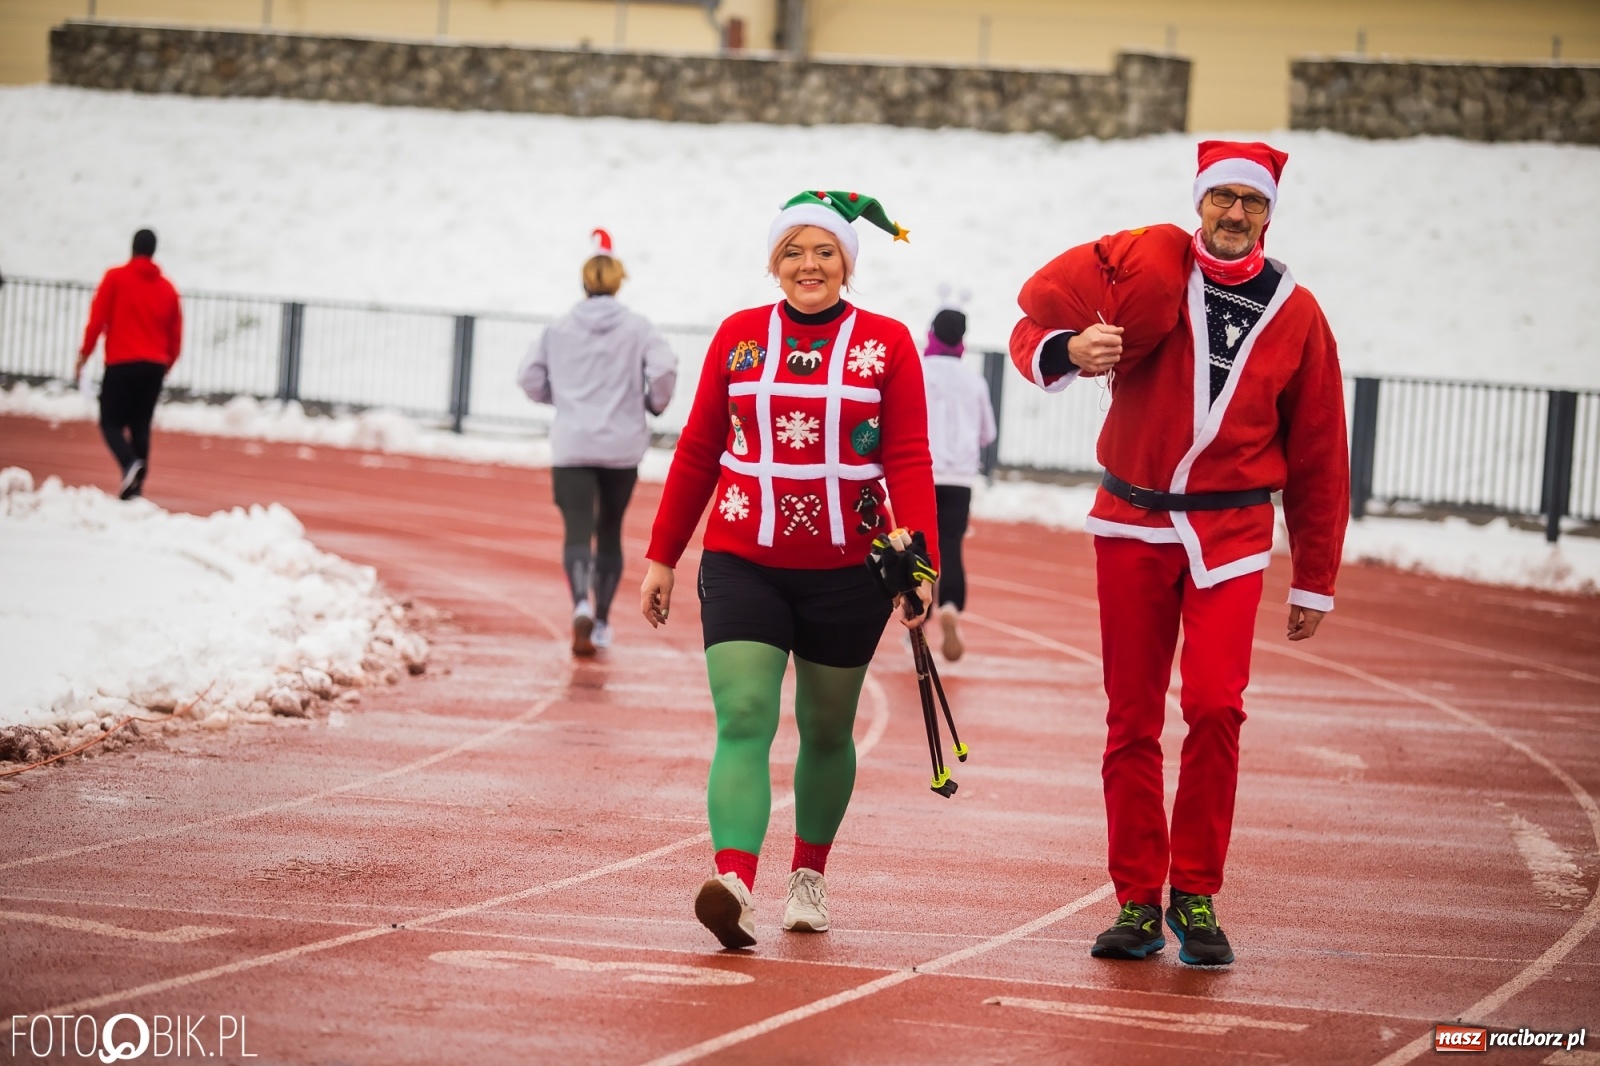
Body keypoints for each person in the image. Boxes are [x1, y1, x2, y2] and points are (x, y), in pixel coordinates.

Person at [1010, 142, 1348, 967]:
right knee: (1130, 718)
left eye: (1253, 203)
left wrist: (1315, 576)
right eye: (1223, 198)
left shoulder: (1298, 312)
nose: (1236, 215)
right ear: (1199, 202)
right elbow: (1030, 326)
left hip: (1231, 536)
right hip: (1131, 523)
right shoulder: (1149, 272)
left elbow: (1320, 451)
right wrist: (1067, 351)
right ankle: (1135, 897)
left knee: (1215, 707)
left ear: (1271, 213)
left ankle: (1195, 895)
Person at [640, 190, 939, 950]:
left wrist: (921, 561)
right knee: (744, 716)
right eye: (794, 251)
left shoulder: (888, 343)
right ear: (775, 263)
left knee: (827, 728)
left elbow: (906, 457)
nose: (810, 264)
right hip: (743, 559)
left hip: (848, 572)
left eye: (825, 251)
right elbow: (700, 450)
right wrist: (663, 555)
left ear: (846, 262)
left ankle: (808, 875)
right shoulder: (740, 338)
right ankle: (733, 881)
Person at [518, 229, 677, 656]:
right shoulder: (639, 327)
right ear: (618, 280)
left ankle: (579, 606)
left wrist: (560, 398)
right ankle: (603, 621)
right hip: (621, 446)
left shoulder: (559, 327)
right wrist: (652, 404)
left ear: (585, 280)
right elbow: (664, 370)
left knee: (576, 531)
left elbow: (528, 377)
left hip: (572, 444)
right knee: (610, 532)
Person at [77, 228, 183, 500]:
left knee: (110, 421)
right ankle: (135, 487)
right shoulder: (168, 289)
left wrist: (84, 355)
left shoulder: (115, 279)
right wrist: (166, 363)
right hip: (155, 364)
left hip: (122, 361)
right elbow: (176, 334)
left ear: (132, 247)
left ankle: (128, 464)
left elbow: (98, 319)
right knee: (140, 424)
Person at [920, 294, 996, 662]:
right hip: (960, 477)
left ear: (932, 333)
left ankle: (917, 618)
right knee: (951, 545)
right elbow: (987, 434)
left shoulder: (918, 371)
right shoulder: (975, 381)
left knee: (916, 546)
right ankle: (949, 604)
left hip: (921, 471)